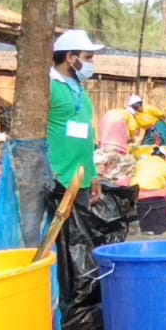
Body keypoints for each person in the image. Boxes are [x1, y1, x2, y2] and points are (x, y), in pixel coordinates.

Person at [50, 29, 104, 204]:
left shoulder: (80, 89)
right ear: (71, 58)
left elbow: (86, 134)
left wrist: (92, 175)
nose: (91, 63)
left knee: (78, 230)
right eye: (87, 57)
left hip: (81, 178)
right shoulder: (50, 87)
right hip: (57, 180)